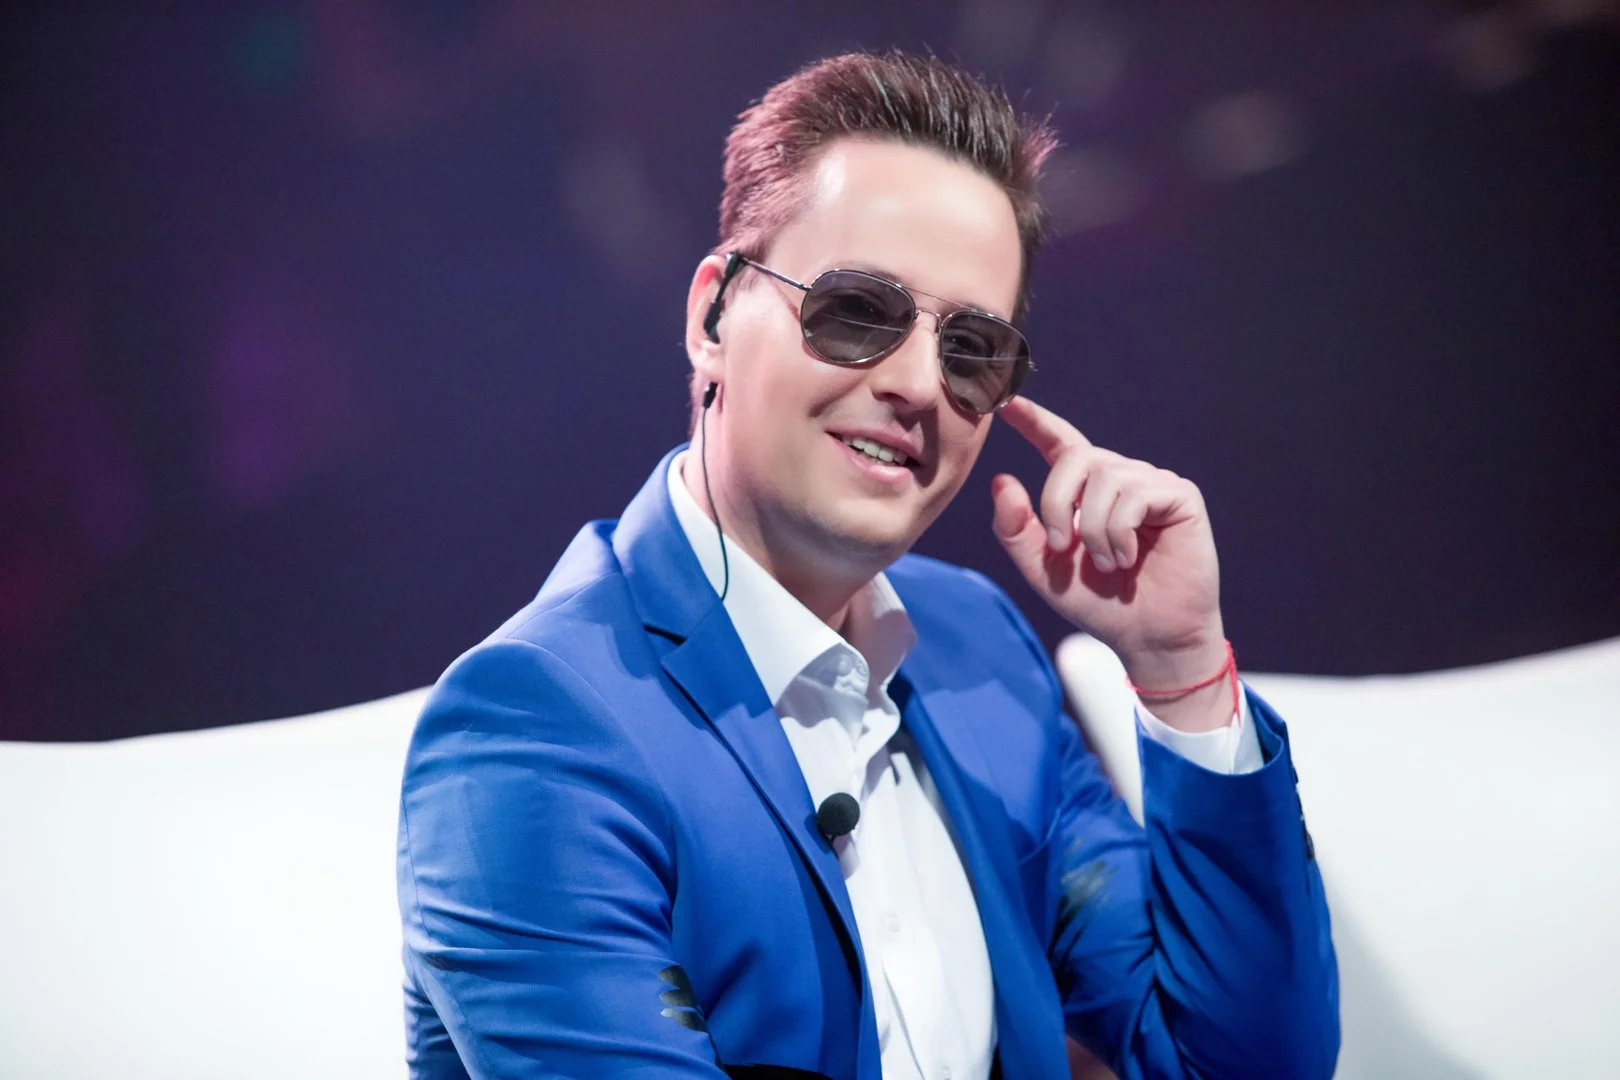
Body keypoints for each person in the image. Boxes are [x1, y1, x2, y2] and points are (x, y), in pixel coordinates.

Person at [397, 50, 1338, 1080]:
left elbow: (1239, 1065)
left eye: (972, 347)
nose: (917, 385)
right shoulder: (537, 727)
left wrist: (1181, 665)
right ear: (714, 315)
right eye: (857, 311)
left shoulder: (983, 652)